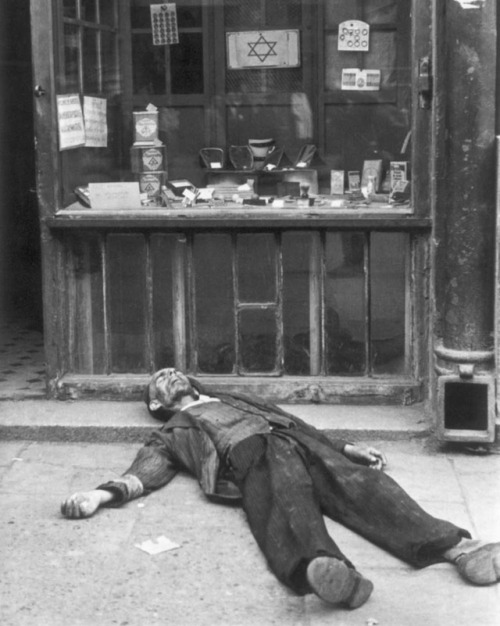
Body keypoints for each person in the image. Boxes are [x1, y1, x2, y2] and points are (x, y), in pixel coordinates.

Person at [61, 368, 500, 609]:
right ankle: (333, 575)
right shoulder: (175, 430)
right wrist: (100, 495)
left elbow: (302, 425)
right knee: (286, 501)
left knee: (364, 486)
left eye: (177, 371)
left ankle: (458, 549)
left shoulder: (238, 400)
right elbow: (147, 469)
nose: (173, 374)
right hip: (251, 451)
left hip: (297, 440)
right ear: (157, 403)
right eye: (162, 377)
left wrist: (349, 447)